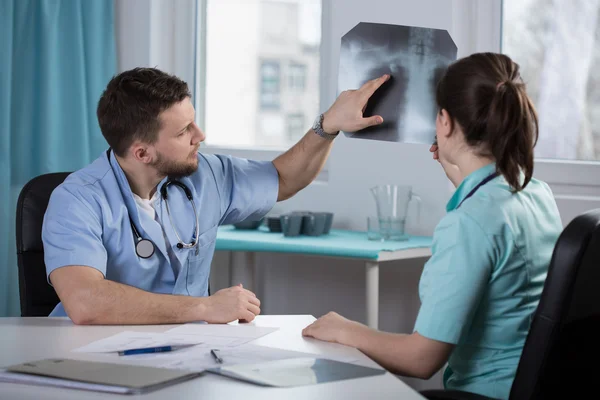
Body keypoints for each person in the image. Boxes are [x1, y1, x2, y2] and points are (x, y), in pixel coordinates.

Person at [301, 52, 563, 399]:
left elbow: (422, 359)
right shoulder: (534, 193)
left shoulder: (468, 224)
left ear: (445, 122)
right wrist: (457, 170)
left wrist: (345, 330)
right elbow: (490, 216)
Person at [42, 67, 390, 325]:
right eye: (184, 131)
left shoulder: (203, 175)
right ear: (142, 153)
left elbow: (283, 178)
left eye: (194, 122)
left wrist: (327, 126)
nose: (200, 135)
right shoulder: (76, 200)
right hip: (93, 355)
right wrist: (204, 308)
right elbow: (85, 302)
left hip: (184, 347)